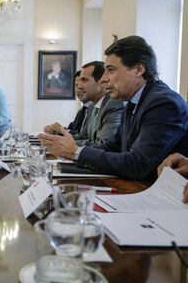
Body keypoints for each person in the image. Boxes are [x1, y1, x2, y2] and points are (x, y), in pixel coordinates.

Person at [39, 35, 188, 181]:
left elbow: (136, 165)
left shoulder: (163, 103)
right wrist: (71, 150)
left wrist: (76, 152)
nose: (104, 79)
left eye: (111, 70)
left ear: (138, 70)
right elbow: (113, 147)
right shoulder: (133, 100)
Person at [45, 61, 123, 146]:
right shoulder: (92, 106)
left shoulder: (114, 105)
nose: (79, 87)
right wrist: (56, 138)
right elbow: (82, 137)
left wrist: (63, 144)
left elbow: (103, 144)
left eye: (84, 80)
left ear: (101, 83)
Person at [44, 71, 92, 140]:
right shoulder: (81, 112)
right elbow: (73, 131)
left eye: (83, 83)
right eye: (76, 85)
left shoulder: (97, 110)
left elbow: (84, 138)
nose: (79, 88)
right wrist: (55, 130)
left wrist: (61, 130)